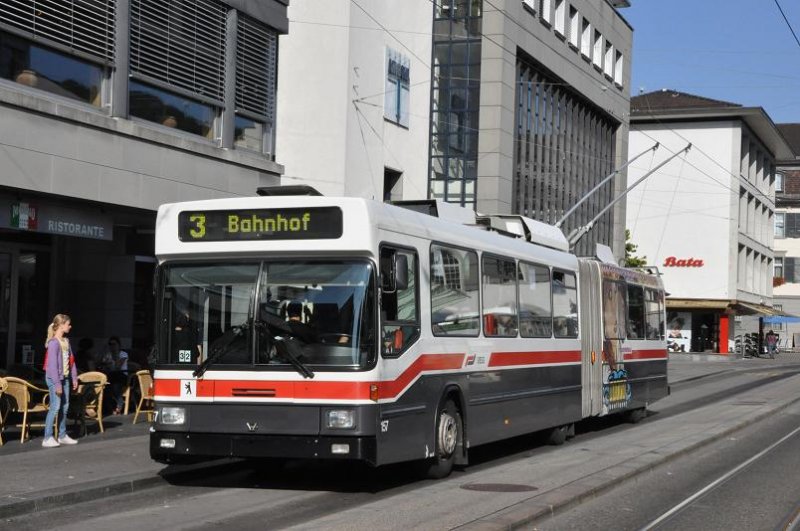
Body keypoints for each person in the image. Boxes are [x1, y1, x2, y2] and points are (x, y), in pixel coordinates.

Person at [42, 313, 79, 448]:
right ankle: (47, 437)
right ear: (62, 325)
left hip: (65, 379)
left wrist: (74, 377)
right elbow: (52, 366)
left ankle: (62, 435)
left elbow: (72, 362)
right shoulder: (53, 343)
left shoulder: (66, 342)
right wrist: (57, 384)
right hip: (54, 379)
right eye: (68, 324)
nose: (70, 326)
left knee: (65, 406)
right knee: (55, 407)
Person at [102, 336, 129, 415]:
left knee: (115, 386)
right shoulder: (107, 354)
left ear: (118, 345)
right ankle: (109, 408)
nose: (112, 346)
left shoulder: (123, 354)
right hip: (110, 375)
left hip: (121, 374)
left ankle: (119, 405)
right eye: (110, 344)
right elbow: (102, 364)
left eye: (114, 344)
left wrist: (115, 353)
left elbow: (118, 366)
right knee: (105, 387)